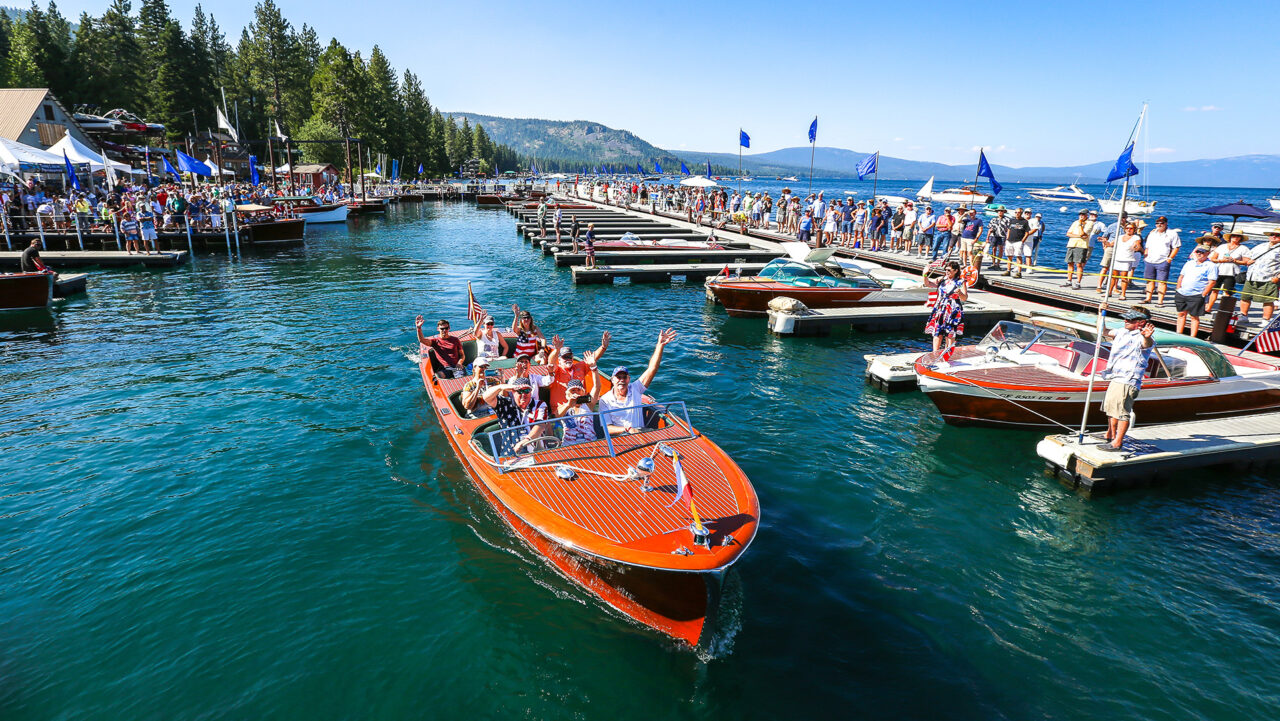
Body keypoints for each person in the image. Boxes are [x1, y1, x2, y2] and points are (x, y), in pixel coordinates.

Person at [598, 328, 677, 435]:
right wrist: (628, 429)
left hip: (641, 433)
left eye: (624, 377)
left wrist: (660, 346)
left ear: (628, 379)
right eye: (618, 377)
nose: (621, 380)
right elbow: (606, 428)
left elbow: (652, 369)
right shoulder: (605, 400)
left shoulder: (635, 388)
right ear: (612, 380)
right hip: (621, 438)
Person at [1099, 307, 1155, 450]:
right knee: (1111, 408)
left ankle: (1117, 442)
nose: (1125, 321)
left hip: (1127, 379)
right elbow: (1103, 331)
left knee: (1121, 411)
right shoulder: (1122, 332)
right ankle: (1110, 434)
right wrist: (1101, 313)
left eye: (1130, 319)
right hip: (1116, 376)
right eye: (1125, 318)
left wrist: (1147, 336)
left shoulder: (1143, 337)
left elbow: (1146, 344)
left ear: (1140, 322)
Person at [538, 331, 610, 412]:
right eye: (565, 357)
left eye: (569, 356)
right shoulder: (557, 369)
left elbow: (593, 358)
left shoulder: (580, 367)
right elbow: (551, 361)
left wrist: (603, 347)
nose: (568, 359)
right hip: (562, 410)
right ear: (559, 360)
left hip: (580, 407)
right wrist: (557, 350)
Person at [481, 376, 550, 456]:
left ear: (531, 392)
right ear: (513, 392)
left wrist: (525, 441)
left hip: (537, 452)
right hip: (510, 454)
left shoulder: (540, 404)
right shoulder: (505, 404)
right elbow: (486, 397)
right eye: (520, 391)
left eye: (527, 391)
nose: (524, 394)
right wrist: (500, 387)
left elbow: (540, 425)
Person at [1172, 246, 1218, 336]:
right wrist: (1178, 288)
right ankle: (1178, 334)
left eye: (1202, 252)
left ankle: (1192, 337)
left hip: (1196, 294)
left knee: (1194, 317)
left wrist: (1203, 294)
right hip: (1182, 293)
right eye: (1198, 252)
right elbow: (1181, 276)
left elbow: (1212, 282)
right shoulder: (1189, 263)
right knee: (1181, 314)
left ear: (1208, 253)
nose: (1199, 254)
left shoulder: (1211, 266)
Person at [924, 261, 969, 354]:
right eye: (946, 270)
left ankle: (948, 355)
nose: (947, 272)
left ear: (956, 271)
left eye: (949, 270)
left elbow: (964, 298)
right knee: (937, 331)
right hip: (940, 309)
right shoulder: (942, 279)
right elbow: (928, 283)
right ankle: (934, 354)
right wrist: (925, 274)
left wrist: (959, 293)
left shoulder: (961, 282)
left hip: (952, 310)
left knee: (950, 334)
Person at [1238, 229, 1280, 324]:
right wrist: (1247, 261)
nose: (1274, 236)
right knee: (1245, 297)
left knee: (1268, 300)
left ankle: (1265, 320)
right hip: (1252, 276)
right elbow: (1248, 256)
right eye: (1272, 234)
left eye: (1277, 235)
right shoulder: (1261, 246)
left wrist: (1278, 277)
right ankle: (1243, 315)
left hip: (1269, 278)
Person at [1141, 216, 1180, 305]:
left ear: (1166, 223)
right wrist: (1145, 256)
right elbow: (1147, 246)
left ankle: (1160, 301)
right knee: (1149, 280)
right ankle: (1148, 298)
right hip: (1150, 260)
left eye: (1162, 223)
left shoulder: (1172, 233)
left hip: (1163, 260)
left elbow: (1176, 247)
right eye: (1158, 223)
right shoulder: (1152, 233)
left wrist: (1169, 259)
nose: (1159, 225)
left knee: (1162, 282)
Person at [1207, 233, 1248, 313]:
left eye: (1238, 236)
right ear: (1230, 237)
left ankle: (1223, 310)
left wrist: (1235, 261)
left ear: (1240, 238)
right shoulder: (1222, 246)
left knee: (1228, 292)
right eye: (1234, 236)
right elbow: (1212, 258)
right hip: (1218, 270)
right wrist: (1221, 260)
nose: (1235, 238)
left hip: (1232, 273)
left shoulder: (1244, 248)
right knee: (1214, 290)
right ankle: (1209, 307)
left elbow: (1246, 261)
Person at [556, 379, 599, 445]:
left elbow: (597, 386)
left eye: (579, 390)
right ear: (568, 393)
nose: (576, 392)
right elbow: (557, 416)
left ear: (583, 392)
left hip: (589, 442)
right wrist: (569, 405)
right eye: (573, 390)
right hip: (569, 444)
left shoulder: (588, 405)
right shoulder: (563, 407)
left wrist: (594, 370)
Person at [1109, 222, 1144, 299]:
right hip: (1117, 258)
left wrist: (1136, 247)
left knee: (1123, 277)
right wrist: (1104, 241)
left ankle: (1123, 294)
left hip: (1127, 259)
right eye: (1127, 228)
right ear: (1125, 229)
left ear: (1134, 230)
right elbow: (1111, 244)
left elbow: (1138, 245)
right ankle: (1109, 292)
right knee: (1113, 276)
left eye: (1131, 228)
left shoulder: (1136, 237)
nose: (1129, 230)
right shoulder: (1120, 237)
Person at [1064, 210, 1092, 289]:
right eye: (1080, 214)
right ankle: (1069, 280)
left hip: (1081, 246)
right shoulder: (1075, 222)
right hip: (1071, 244)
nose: (1081, 216)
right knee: (1070, 263)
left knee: (1079, 264)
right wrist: (1078, 236)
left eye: (1083, 215)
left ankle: (1078, 282)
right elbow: (1068, 233)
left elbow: (1083, 234)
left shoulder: (1089, 223)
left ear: (1087, 215)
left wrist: (1080, 225)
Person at [1004, 209, 1033, 279]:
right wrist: (1007, 238)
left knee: (1018, 256)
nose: (1017, 214)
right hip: (1010, 240)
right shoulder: (1012, 220)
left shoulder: (1024, 222)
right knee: (1009, 255)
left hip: (1018, 241)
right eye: (1016, 212)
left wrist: (1022, 240)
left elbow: (1027, 232)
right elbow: (1009, 229)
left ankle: (1019, 272)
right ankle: (1008, 270)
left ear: (1021, 213)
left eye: (1019, 212)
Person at [985, 207, 1009, 271]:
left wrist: (1007, 238)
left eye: (1001, 211)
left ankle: (998, 264)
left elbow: (1009, 229)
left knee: (1001, 249)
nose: (1000, 212)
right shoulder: (993, 219)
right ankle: (993, 263)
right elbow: (990, 229)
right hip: (994, 235)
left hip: (1002, 236)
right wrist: (987, 237)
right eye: (998, 211)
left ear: (1004, 212)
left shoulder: (1007, 219)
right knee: (993, 249)